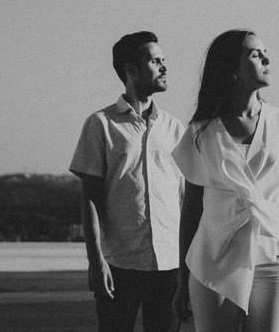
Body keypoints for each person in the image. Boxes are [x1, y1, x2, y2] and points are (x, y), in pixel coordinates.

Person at [172, 30, 279, 331]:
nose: (266, 58)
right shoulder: (202, 132)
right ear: (231, 69)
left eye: (264, 51)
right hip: (213, 256)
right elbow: (192, 208)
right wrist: (182, 280)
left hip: (274, 256)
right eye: (254, 53)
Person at [69, 31, 185, 332]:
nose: (164, 67)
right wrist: (96, 262)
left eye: (164, 60)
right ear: (130, 70)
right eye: (155, 60)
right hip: (120, 263)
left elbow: (185, 199)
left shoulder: (174, 128)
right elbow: (90, 200)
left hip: (169, 264)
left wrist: (189, 266)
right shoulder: (101, 124)